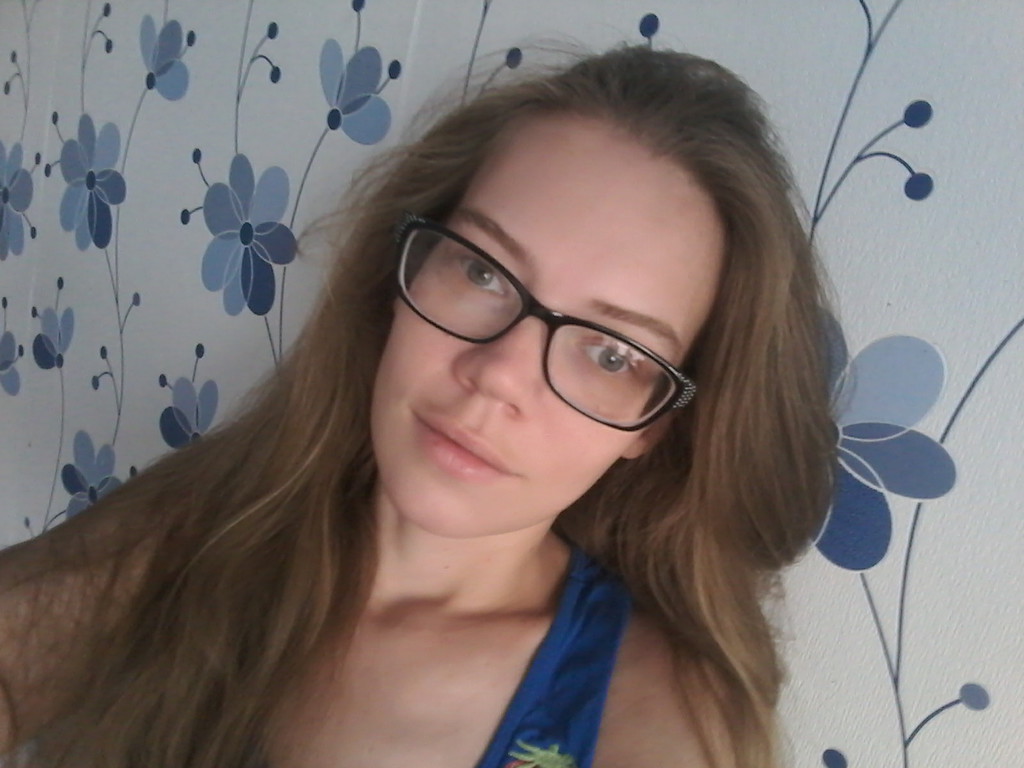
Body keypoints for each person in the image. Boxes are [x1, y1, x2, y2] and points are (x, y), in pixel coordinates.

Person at [0, 45, 835, 768]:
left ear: (653, 425)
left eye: (612, 353)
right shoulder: (211, 519)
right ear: (401, 270)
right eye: (482, 271)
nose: (499, 375)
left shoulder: (655, 718)